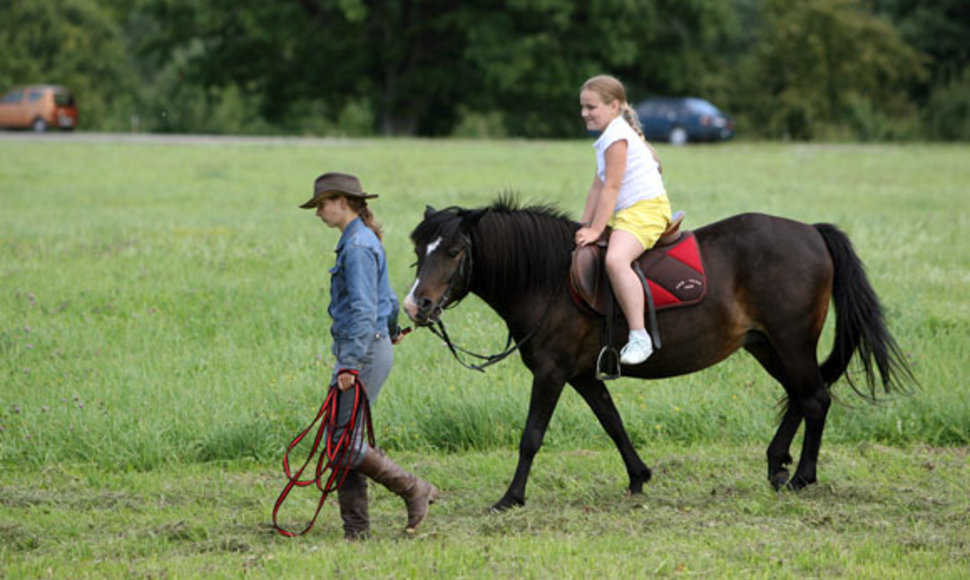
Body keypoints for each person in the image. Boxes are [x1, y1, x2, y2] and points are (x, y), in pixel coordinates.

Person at [299, 171, 438, 540]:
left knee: (344, 442)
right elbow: (388, 298)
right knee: (342, 438)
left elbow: (362, 308)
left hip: (361, 352)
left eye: (322, 205)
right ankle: (356, 531)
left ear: (342, 202)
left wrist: (350, 362)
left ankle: (413, 489)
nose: (318, 213)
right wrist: (391, 331)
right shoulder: (360, 239)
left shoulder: (357, 246)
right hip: (369, 346)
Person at [574, 75, 672, 366]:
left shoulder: (617, 137)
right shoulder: (610, 135)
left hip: (646, 211)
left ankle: (639, 336)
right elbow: (596, 185)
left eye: (591, 107)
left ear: (614, 105)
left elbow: (611, 187)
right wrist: (582, 224)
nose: (584, 113)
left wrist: (595, 229)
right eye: (582, 107)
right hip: (630, 210)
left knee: (616, 260)